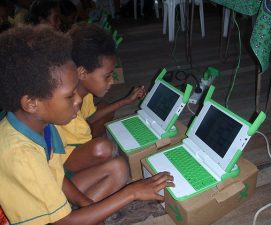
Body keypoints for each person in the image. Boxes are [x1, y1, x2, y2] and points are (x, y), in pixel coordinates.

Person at [0, 24, 174, 225]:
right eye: (69, 96)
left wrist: (88, 205)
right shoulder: (20, 154)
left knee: (108, 185)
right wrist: (131, 193)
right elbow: (62, 223)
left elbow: (57, 176)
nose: (78, 101)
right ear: (31, 103)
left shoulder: (43, 125)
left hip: (45, 194)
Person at [56, 22, 146, 174]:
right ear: (82, 73)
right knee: (105, 149)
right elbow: (85, 127)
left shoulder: (84, 92)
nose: (111, 81)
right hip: (63, 167)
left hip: (78, 139)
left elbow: (90, 118)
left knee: (104, 108)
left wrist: (126, 101)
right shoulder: (68, 109)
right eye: (107, 76)